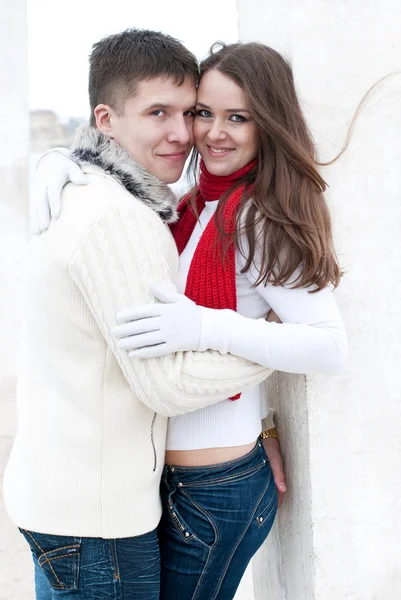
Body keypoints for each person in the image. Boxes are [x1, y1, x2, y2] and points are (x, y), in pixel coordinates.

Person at [30, 39, 348, 599]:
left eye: (238, 117)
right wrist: (62, 158)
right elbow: (120, 169)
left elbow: (326, 346)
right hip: (172, 482)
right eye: (204, 112)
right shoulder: (192, 201)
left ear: (267, 124)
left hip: (214, 488)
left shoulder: (261, 216)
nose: (211, 132)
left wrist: (205, 327)